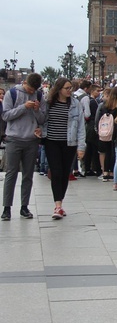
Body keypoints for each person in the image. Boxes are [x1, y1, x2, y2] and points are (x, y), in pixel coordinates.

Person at [2, 73, 46, 221]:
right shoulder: (12, 93)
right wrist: (23, 107)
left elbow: (42, 118)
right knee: (11, 173)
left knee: (28, 174)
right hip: (14, 139)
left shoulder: (39, 96)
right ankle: (7, 208)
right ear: (24, 83)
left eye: (34, 90)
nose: (31, 92)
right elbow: (6, 115)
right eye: (29, 89)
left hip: (31, 140)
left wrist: (36, 110)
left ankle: (24, 206)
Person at [41, 78, 86, 219]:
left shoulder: (75, 104)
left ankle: (60, 202)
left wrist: (81, 147)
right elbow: (41, 120)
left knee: (65, 173)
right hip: (51, 141)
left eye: (70, 88)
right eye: (66, 88)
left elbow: (80, 126)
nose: (69, 90)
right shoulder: (49, 103)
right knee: (56, 172)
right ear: (59, 88)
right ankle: (58, 206)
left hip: (69, 143)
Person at [95, 86, 117, 183]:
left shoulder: (105, 105)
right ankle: (112, 171)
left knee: (107, 152)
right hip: (115, 131)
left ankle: (105, 172)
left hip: (105, 130)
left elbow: (98, 118)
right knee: (114, 152)